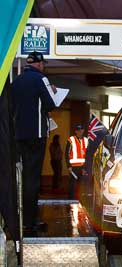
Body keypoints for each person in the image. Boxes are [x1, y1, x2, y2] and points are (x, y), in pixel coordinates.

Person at [11, 51, 57, 234]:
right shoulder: (40, 79)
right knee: (32, 178)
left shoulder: (16, 81)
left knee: (20, 176)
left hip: (18, 136)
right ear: (38, 64)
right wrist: (52, 92)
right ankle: (30, 220)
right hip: (36, 135)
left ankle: (18, 218)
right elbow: (51, 104)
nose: (44, 66)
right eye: (43, 64)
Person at [65, 124, 88, 199]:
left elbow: (88, 155)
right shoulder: (71, 139)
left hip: (83, 167)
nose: (80, 131)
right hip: (73, 167)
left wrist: (86, 167)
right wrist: (68, 166)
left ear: (83, 130)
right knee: (73, 185)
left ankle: (81, 200)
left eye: (81, 130)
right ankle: (71, 200)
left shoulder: (86, 140)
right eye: (78, 130)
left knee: (82, 185)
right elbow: (67, 153)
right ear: (75, 131)